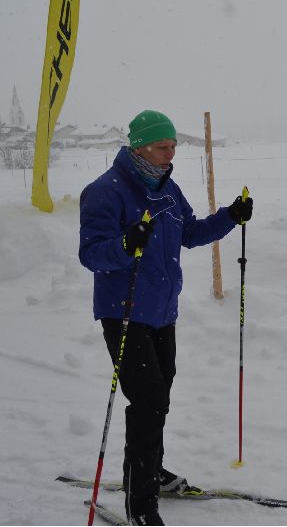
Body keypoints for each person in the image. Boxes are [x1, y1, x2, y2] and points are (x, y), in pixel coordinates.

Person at [79, 110, 253, 525]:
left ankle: (150, 470)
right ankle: (141, 506)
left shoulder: (169, 191)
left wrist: (231, 216)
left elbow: (190, 233)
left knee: (159, 398)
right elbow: (91, 254)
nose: (170, 153)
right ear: (139, 147)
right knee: (148, 401)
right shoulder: (105, 191)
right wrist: (125, 244)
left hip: (161, 312)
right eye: (162, 146)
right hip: (124, 312)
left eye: (174, 146)